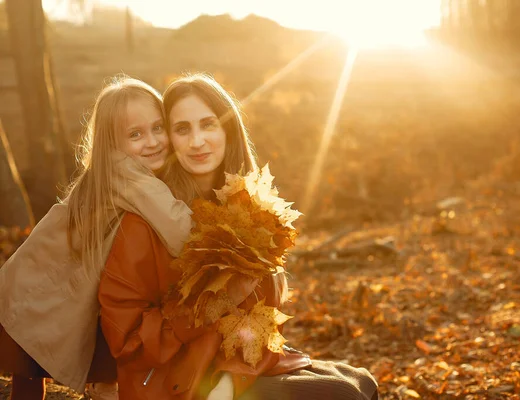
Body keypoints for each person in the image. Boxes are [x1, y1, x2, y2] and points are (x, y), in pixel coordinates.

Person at [98, 73, 378, 400]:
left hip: (233, 373)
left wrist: (232, 379)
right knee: (344, 395)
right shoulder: (144, 223)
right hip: (173, 385)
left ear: (228, 130)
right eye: (182, 129)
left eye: (208, 124)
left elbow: (261, 319)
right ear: (170, 140)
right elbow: (126, 341)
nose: (197, 141)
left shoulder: (249, 210)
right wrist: (210, 304)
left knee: (362, 381)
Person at [0, 75, 193, 399]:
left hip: (37, 286)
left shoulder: (109, 171)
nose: (153, 141)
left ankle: (104, 386)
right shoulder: (131, 176)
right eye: (136, 134)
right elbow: (179, 231)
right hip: (42, 294)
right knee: (30, 362)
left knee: (30, 369)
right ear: (113, 144)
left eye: (158, 128)